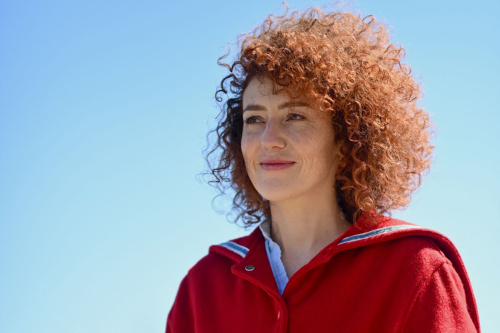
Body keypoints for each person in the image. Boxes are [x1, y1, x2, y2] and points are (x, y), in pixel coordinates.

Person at [166, 5, 480, 332]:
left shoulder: (415, 268)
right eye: (254, 119)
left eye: (295, 116)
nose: (269, 139)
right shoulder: (202, 287)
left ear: (346, 137)